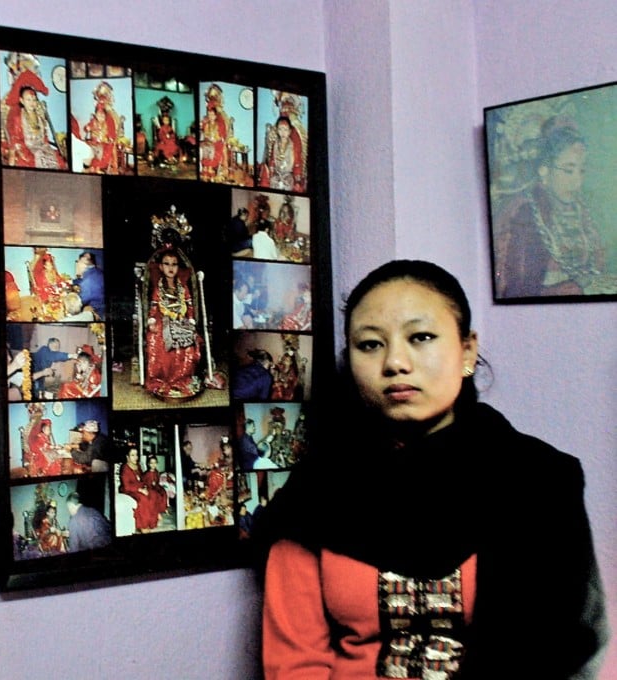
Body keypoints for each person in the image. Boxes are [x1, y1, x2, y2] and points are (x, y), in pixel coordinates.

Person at [259, 260, 608, 678]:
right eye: (370, 344)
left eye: (421, 337)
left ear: (467, 351)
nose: (395, 362)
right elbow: (295, 663)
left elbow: (572, 648)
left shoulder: (536, 480)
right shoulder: (316, 494)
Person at [495, 116, 611, 298]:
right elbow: (517, 290)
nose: (577, 181)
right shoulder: (524, 212)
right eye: (568, 170)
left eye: (582, 171)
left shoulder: (586, 209)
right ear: (544, 171)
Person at [144, 248, 203, 399]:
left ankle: (182, 378)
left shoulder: (183, 288)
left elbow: (189, 305)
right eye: (167, 264)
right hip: (163, 318)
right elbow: (154, 306)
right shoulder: (159, 288)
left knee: (191, 336)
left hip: (181, 318)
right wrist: (151, 319)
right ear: (161, 267)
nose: (171, 267)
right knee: (158, 335)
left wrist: (191, 318)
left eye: (174, 264)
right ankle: (164, 379)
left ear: (178, 267)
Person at [2, 70, 66, 169]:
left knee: (60, 162)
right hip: (26, 148)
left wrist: (45, 147)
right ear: (21, 100)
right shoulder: (18, 117)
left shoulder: (39, 116)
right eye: (28, 100)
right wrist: (24, 152)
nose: (31, 103)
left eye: (34, 99)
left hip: (43, 148)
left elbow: (44, 137)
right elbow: (15, 140)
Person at [118, 447, 160, 532]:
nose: (135, 457)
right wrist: (140, 490)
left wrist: (145, 486)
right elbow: (126, 486)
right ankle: (143, 526)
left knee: (153, 494)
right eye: (132, 455)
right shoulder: (125, 468)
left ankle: (152, 521)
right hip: (129, 490)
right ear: (127, 457)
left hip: (139, 487)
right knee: (143, 498)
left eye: (136, 455)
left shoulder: (138, 466)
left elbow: (142, 479)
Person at [72, 251, 105, 319]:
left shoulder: (88, 281)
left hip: (98, 313)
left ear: (83, 263)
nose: (77, 264)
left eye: (77, 262)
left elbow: (79, 302)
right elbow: (81, 280)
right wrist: (73, 282)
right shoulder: (95, 271)